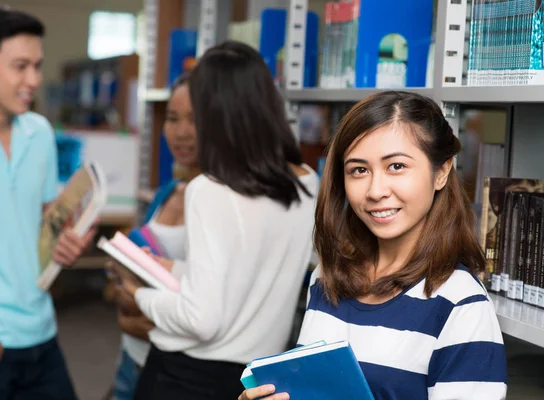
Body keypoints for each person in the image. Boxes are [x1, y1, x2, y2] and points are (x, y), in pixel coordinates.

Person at [239, 91, 507, 400]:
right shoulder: (327, 279)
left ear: (442, 172)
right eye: (359, 170)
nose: (375, 191)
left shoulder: (461, 303)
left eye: (396, 166)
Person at [114, 40, 319, 400]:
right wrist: (173, 269)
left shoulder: (210, 190)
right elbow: (245, 275)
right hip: (254, 380)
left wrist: (140, 293)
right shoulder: (305, 181)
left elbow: (201, 319)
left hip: (185, 377)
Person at [0, 7, 95, 400]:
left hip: (43, 335)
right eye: (20, 66)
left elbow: (46, 219)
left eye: (37, 66)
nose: (34, 80)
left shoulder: (39, 132)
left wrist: (68, 240)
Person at [110, 72, 198, 400]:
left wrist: (135, 316)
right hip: (130, 358)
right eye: (173, 119)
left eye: (195, 119)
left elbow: (206, 309)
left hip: (170, 371)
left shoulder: (222, 205)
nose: (181, 132)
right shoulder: (166, 192)